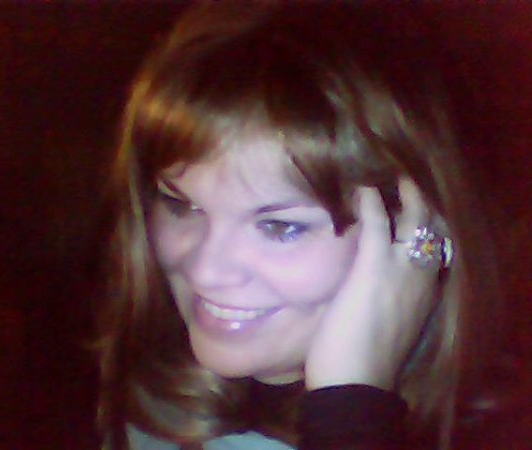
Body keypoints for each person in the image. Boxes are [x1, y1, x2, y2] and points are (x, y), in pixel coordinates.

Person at [97, 2, 498, 449]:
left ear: (410, 232)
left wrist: (351, 409)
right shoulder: (149, 373)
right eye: (181, 205)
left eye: (279, 227)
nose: (205, 272)